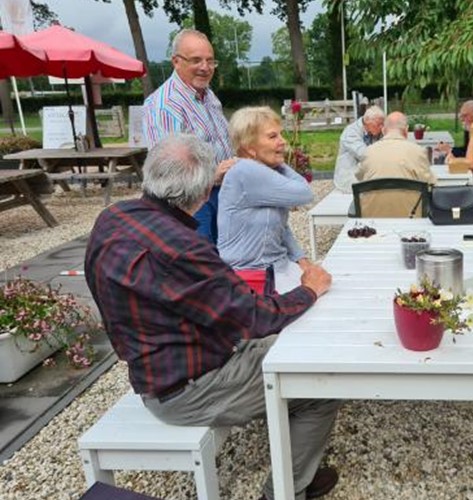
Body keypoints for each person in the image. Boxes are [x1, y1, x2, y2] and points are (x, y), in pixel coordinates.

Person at [84, 134, 341, 500]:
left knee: (291, 346)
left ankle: (295, 462)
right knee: (318, 384)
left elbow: (217, 308)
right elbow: (255, 317)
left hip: (155, 368)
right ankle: (286, 489)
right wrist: (310, 289)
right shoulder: (184, 247)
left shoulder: (111, 219)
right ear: (206, 192)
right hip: (188, 387)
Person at [142, 28, 237, 244]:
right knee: (199, 266)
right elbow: (170, 177)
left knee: (221, 261)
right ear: (176, 61)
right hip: (190, 206)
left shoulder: (207, 94)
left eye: (210, 61)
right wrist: (213, 174)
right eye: (196, 60)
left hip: (219, 195)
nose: (205, 67)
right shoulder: (165, 105)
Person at [218, 106, 314, 294]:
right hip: (252, 279)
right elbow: (305, 193)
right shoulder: (245, 170)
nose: (282, 142)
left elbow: (280, 226)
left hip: (274, 269)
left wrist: (301, 259)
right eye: (273, 137)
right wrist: (281, 163)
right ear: (249, 147)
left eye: (280, 135)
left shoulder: (262, 170)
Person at [354, 111, 436, 217]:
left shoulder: (368, 152)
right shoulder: (418, 152)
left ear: (383, 130)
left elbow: (359, 177)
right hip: (411, 218)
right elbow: (431, 183)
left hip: (372, 219)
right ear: (406, 130)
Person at [333, 105, 385, 193]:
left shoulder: (376, 131)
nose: (381, 127)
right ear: (368, 122)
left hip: (368, 176)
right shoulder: (350, 133)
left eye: (383, 124)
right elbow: (365, 155)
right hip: (350, 179)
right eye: (379, 124)